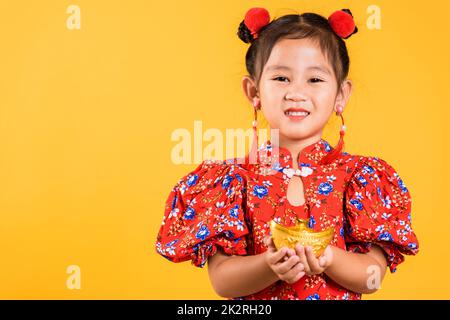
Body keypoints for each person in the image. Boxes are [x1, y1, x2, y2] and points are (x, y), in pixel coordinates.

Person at [155, 7, 419, 300]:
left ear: (341, 95)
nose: (296, 92)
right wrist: (269, 266)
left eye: (315, 80)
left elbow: (371, 279)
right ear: (253, 91)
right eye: (281, 78)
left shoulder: (361, 177)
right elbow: (222, 282)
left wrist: (328, 257)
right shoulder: (231, 179)